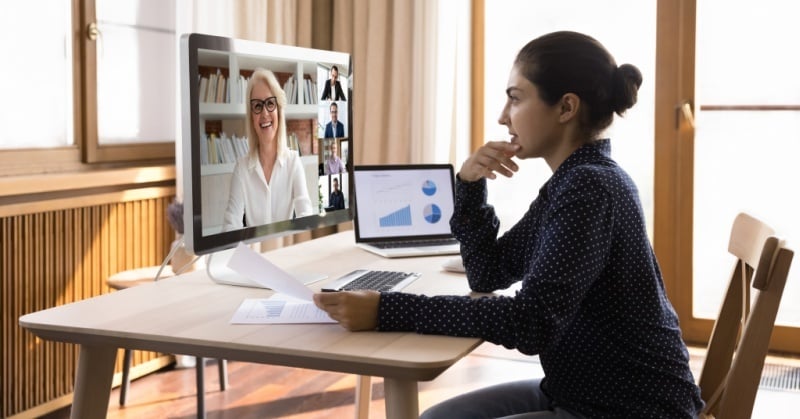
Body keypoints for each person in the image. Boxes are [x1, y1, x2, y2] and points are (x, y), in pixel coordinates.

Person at [313, 31, 704, 418]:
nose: (503, 116)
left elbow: (529, 323)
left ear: (566, 107)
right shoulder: (573, 181)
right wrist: (468, 185)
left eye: (515, 98)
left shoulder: (590, 188)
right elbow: (488, 273)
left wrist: (386, 310)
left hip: (630, 408)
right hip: (580, 390)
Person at [223, 68, 313, 230]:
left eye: (270, 103)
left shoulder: (293, 162)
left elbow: (305, 217)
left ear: (279, 110)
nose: (264, 113)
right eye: (257, 106)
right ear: (251, 116)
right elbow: (231, 224)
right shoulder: (242, 169)